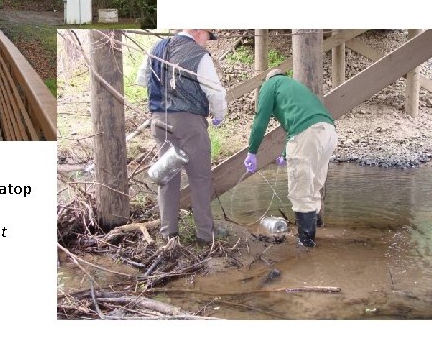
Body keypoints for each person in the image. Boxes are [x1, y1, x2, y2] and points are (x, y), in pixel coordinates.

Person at [136, 29, 227, 244]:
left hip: (159, 119)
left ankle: (169, 234)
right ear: (196, 31)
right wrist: (219, 114)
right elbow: (215, 91)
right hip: (189, 123)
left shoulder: (156, 47)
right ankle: (206, 236)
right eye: (207, 36)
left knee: (167, 177)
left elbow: (141, 79)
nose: (208, 42)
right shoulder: (198, 55)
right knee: (200, 179)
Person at [244, 68, 338, 247]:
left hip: (307, 134)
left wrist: (252, 151)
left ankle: (306, 245)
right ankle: (317, 231)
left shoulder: (270, 84)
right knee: (313, 185)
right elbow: (296, 120)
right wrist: (286, 154)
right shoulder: (294, 86)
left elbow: (260, 119)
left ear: (268, 78)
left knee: (300, 190)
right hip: (329, 132)